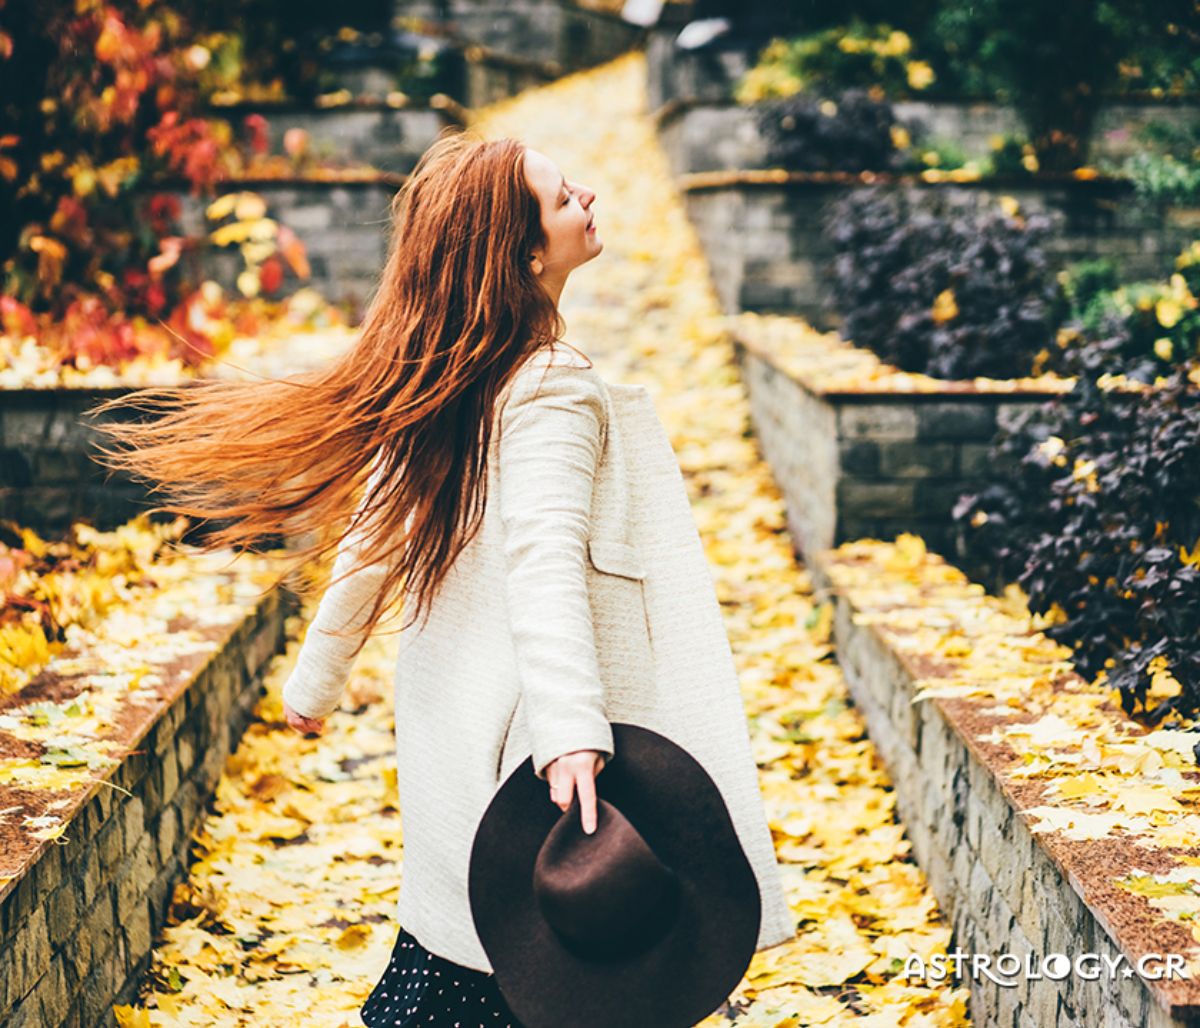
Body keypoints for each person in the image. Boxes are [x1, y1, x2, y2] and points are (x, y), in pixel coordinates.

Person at [87, 129, 794, 1028]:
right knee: (535, 978)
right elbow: (545, 558)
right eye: (563, 195)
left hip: (458, 726)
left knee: (456, 951)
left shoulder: (453, 374)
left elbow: (374, 532)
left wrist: (317, 679)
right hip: (529, 739)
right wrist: (573, 728)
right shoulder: (548, 384)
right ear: (526, 251)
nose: (588, 199)